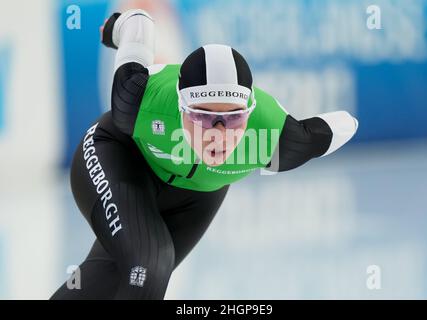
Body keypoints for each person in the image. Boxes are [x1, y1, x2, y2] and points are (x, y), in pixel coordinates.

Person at [51, 9, 358, 300]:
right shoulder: (139, 100)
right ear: (180, 108)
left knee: (115, 277)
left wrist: (353, 121)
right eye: (202, 117)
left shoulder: (274, 138)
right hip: (120, 156)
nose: (218, 134)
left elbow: (328, 131)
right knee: (149, 262)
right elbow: (139, 26)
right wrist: (117, 27)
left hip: (197, 196)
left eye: (234, 118)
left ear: (250, 114)